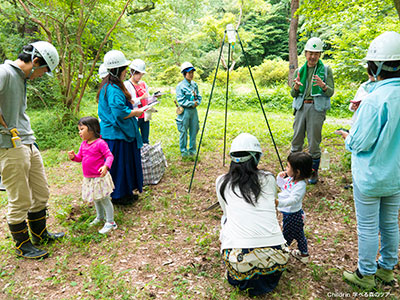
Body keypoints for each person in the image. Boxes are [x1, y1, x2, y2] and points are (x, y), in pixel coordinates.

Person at [339, 31, 400, 290]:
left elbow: (359, 142)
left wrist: (347, 137)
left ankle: (365, 275)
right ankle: (387, 270)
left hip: (370, 176)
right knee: (389, 223)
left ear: (375, 66)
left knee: (367, 226)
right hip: (395, 175)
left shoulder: (374, 100)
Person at [0, 41, 64, 259]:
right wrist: (5, 127)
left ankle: (40, 234)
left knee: (41, 191)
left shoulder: (21, 78)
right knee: (20, 198)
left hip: (26, 140)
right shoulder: (5, 72)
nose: (41, 75)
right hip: (8, 144)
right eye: (44, 70)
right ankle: (22, 245)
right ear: (35, 62)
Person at [216, 133, 289, 296]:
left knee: (226, 221)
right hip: (279, 255)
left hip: (240, 260)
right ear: (256, 158)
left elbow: (226, 213)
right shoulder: (269, 178)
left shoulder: (222, 182)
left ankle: (237, 274)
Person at [97, 50, 144, 205]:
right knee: (121, 166)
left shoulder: (108, 86)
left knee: (121, 165)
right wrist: (135, 112)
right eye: (124, 69)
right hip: (117, 134)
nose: (126, 72)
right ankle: (119, 196)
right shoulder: (114, 89)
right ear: (118, 70)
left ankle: (124, 192)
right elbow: (118, 112)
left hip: (114, 134)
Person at [290, 37, 334, 184]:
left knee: (314, 142)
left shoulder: (326, 70)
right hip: (301, 107)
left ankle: (313, 173)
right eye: (310, 53)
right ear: (305, 53)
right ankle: (294, 171)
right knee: (296, 140)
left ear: (320, 55)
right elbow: (293, 94)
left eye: (316, 53)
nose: (313, 56)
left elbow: (330, 92)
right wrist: (295, 88)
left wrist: (323, 86)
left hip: (317, 108)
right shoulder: (299, 71)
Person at [68, 117, 117, 234]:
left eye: (82, 129)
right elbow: (80, 158)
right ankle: (100, 217)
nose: (79, 132)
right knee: (96, 198)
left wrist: (105, 166)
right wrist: (74, 157)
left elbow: (109, 156)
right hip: (89, 178)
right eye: (79, 130)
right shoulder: (83, 144)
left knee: (104, 199)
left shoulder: (100, 143)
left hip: (99, 178)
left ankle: (111, 222)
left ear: (92, 129)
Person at [276, 152, 312, 264]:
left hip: (292, 215)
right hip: (291, 214)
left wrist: (278, 203)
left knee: (287, 235)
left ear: (297, 171)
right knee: (299, 234)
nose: (286, 169)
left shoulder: (300, 185)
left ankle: (282, 253)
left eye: (288, 166)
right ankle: (303, 254)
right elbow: (282, 186)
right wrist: (280, 177)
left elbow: (293, 200)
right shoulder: (291, 180)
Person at [176, 62, 202, 157]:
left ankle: (192, 151)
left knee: (194, 130)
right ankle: (184, 152)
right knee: (183, 131)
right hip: (185, 111)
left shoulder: (194, 85)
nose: (191, 74)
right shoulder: (180, 86)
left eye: (192, 72)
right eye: (189, 72)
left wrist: (197, 102)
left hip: (194, 111)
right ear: (184, 73)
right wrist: (192, 103)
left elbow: (198, 96)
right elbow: (181, 100)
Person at [124, 59, 152, 144]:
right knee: (134, 139)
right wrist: (140, 98)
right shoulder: (127, 85)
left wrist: (154, 97)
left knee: (145, 139)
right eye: (137, 73)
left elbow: (148, 98)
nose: (139, 76)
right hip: (135, 115)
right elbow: (129, 102)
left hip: (145, 115)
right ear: (132, 72)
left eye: (141, 74)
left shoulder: (143, 84)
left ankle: (145, 156)